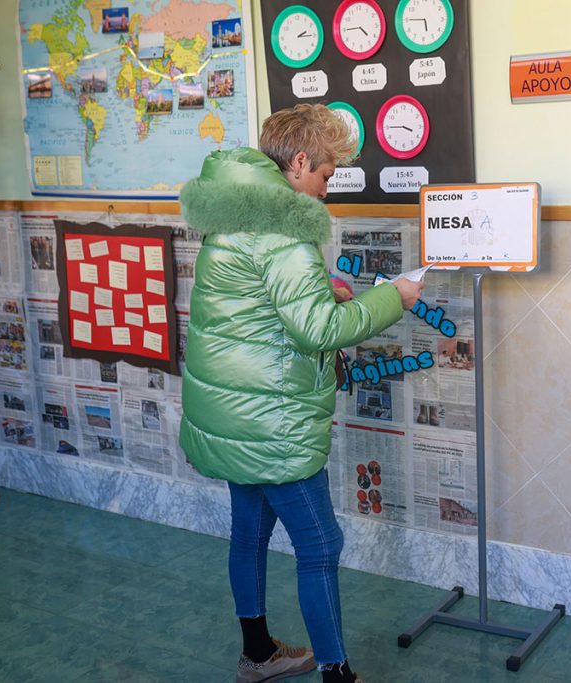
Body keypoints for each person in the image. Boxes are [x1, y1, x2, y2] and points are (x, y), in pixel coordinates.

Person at [179, 104, 423, 683]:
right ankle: (337, 674)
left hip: (232, 409)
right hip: (274, 419)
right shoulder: (286, 229)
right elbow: (318, 331)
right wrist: (393, 297)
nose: (327, 188)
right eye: (326, 174)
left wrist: (321, 286)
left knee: (249, 533)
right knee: (320, 545)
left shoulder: (235, 213)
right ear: (299, 162)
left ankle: (257, 654)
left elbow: (255, 302)